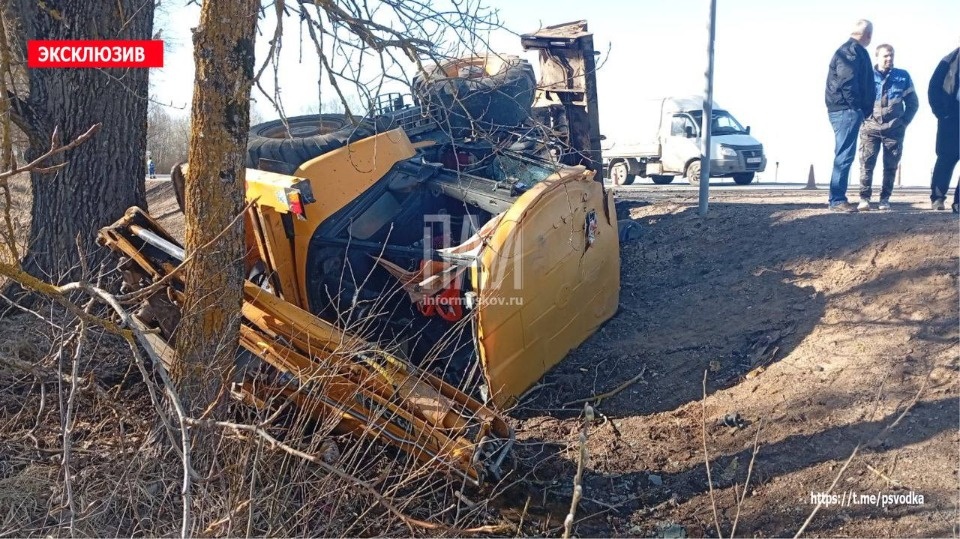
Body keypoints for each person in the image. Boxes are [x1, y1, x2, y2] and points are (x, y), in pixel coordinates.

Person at [857, 44, 919, 211]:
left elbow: (913, 103)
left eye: (891, 55)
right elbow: (858, 100)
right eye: (885, 56)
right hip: (870, 128)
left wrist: (904, 122)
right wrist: (863, 119)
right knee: (866, 164)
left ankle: (885, 199)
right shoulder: (867, 76)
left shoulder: (903, 76)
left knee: (891, 166)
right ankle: (864, 198)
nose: (889, 59)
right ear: (877, 57)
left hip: (894, 129)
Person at [824, 19, 875, 212]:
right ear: (868, 35)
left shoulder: (851, 50)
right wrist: (857, 108)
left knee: (844, 153)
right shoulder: (851, 52)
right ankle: (837, 199)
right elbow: (848, 82)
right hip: (846, 110)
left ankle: (837, 198)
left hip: (845, 109)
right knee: (844, 154)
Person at [928, 47, 959, 212]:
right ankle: (938, 198)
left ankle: (959, 203)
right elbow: (934, 87)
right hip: (951, 115)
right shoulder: (948, 60)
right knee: (946, 157)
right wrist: (941, 112)